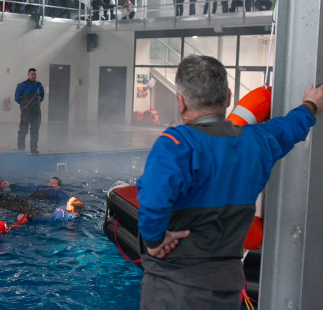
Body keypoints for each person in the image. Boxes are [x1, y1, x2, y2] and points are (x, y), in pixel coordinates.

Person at [136, 54, 323, 309]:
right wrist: (310, 107)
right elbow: (290, 128)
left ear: (181, 103)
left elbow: (152, 200)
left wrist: (156, 240)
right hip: (226, 289)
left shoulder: (177, 145)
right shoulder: (257, 142)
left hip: (174, 289)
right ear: (228, 97)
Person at [15, 68, 44, 154]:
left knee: (35, 131)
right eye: (32, 74)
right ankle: (21, 148)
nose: (34, 76)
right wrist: (24, 106)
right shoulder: (22, 85)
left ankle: (34, 149)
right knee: (23, 130)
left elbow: (42, 97)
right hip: (26, 112)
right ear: (28, 75)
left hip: (36, 112)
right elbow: (17, 98)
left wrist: (36, 105)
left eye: (35, 74)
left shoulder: (39, 85)